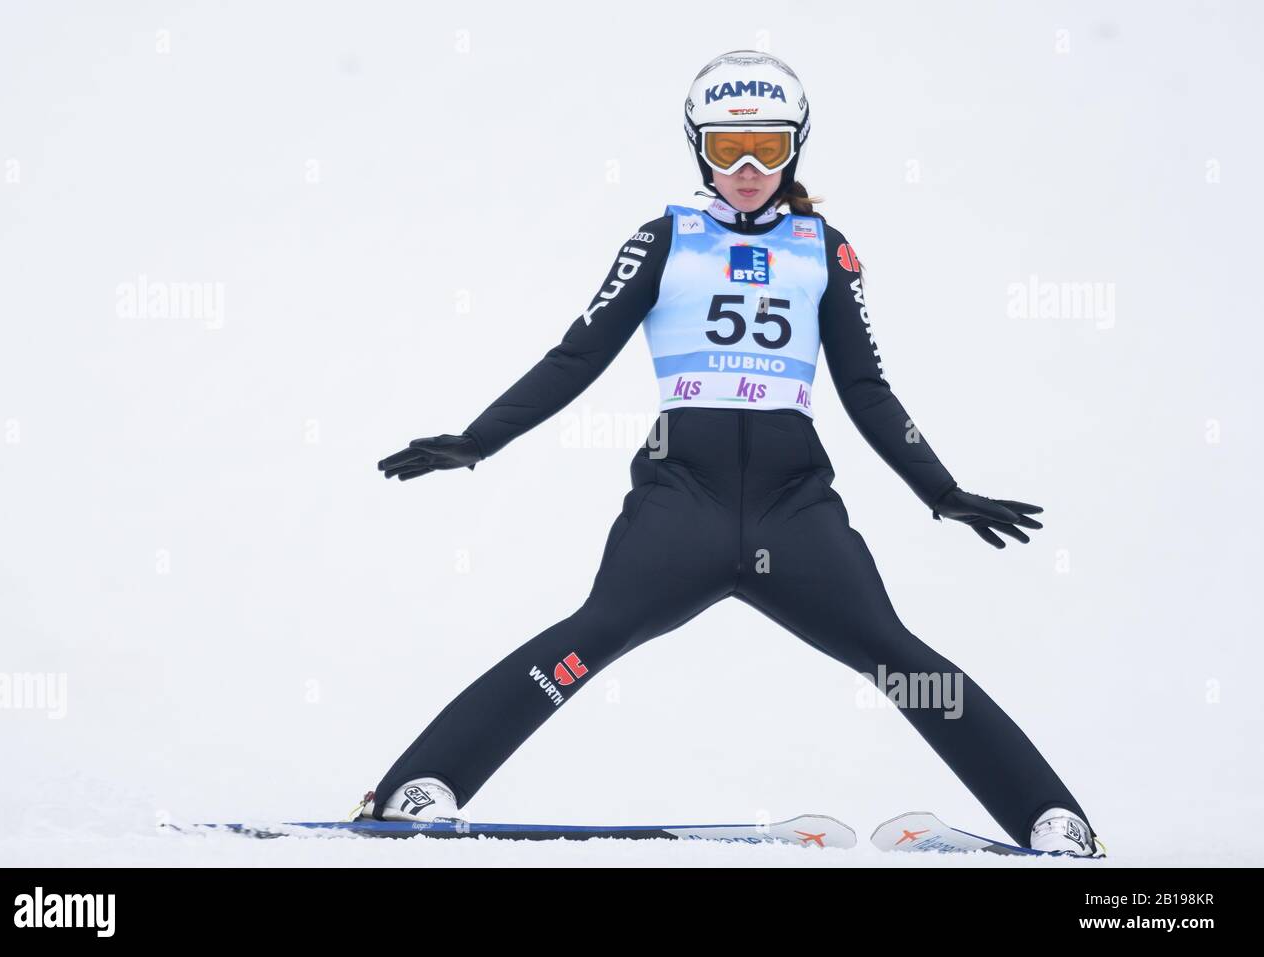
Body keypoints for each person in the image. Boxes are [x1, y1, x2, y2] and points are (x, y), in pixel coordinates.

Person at [358, 50, 1102, 856]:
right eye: (725, 149)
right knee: (587, 637)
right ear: (697, 148)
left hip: (795, 508)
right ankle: (416, 787)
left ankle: (1049, 819)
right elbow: (577, 356)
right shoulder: (663, 238)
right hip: (685, 499)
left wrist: (942, 489)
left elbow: (866, 386)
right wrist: (479, 440)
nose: (748, 168)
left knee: (899, 659)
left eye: (770, 150)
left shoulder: (825, 245)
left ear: (797, 148)